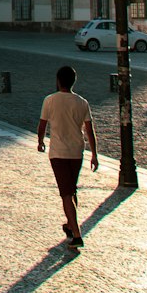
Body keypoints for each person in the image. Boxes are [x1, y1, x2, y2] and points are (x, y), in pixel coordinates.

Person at [37, 65, 99, 251]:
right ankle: (70, 225)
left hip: (58, 152)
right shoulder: (82, 102)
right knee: (71, 190)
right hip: (76, 151)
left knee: (65, 194)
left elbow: (42, 125)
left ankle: (77, 234)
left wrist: (40, 141)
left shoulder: (50, 100)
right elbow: (89, 130)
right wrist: (94, 154)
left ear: (58, 81)